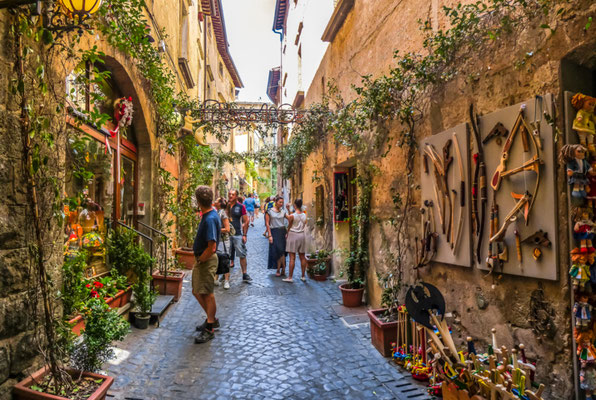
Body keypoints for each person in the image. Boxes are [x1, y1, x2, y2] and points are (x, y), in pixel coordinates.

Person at [192, 186, 221, 344]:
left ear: (198, 201)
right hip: (204, 259)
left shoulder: (209, 218)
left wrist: (201, 259)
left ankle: (210, 327)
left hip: (206, 259)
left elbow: (212, 246)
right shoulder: (211, 213)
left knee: (207, 293)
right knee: (198, 291)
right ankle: (212, 319)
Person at [227, 189, 252, 282]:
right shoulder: (226, 206)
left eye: (232, 194)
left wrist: (245, 235)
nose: (230, 196)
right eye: (229, 194)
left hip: (237, 234)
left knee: (242, 254)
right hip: (226, 234)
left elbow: (246, 221)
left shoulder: (241, 206)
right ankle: (224, 275)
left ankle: (244, 273)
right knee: (226, 255)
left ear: (236, 196)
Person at [284, 198, 309, 283]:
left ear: (294, 205)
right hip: (302, 235)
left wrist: (287, 233)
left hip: (293, 235)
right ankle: (303, 276)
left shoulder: (292, 216)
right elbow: (304, 223)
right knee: (302, 257)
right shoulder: (305, 215)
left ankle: (290, 277)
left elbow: (289, 224)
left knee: (292, 258)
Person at [265, 196, 289, 276]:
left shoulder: (283, 211)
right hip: (274, 232)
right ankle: (282, 268)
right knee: (277, 251)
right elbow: (267, 224)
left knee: (282, 251)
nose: (281, 204)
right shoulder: (269, 211)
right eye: (280, 202)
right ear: (276, 202)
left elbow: (290, 218)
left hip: (282, 231)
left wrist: (288, 231)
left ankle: (280, 269)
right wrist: (270, 235)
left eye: (282, 202)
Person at [214, 197, 232, 289]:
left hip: (224, 241)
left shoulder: (223, 213)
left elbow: (227, 229)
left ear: (220, 203)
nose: (214, 201)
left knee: (225, 260)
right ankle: (216, 278)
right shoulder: (215, 212)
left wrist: (215, 230)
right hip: (217, 240)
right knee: (217, 259)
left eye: (216, 200)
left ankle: (226, 281)